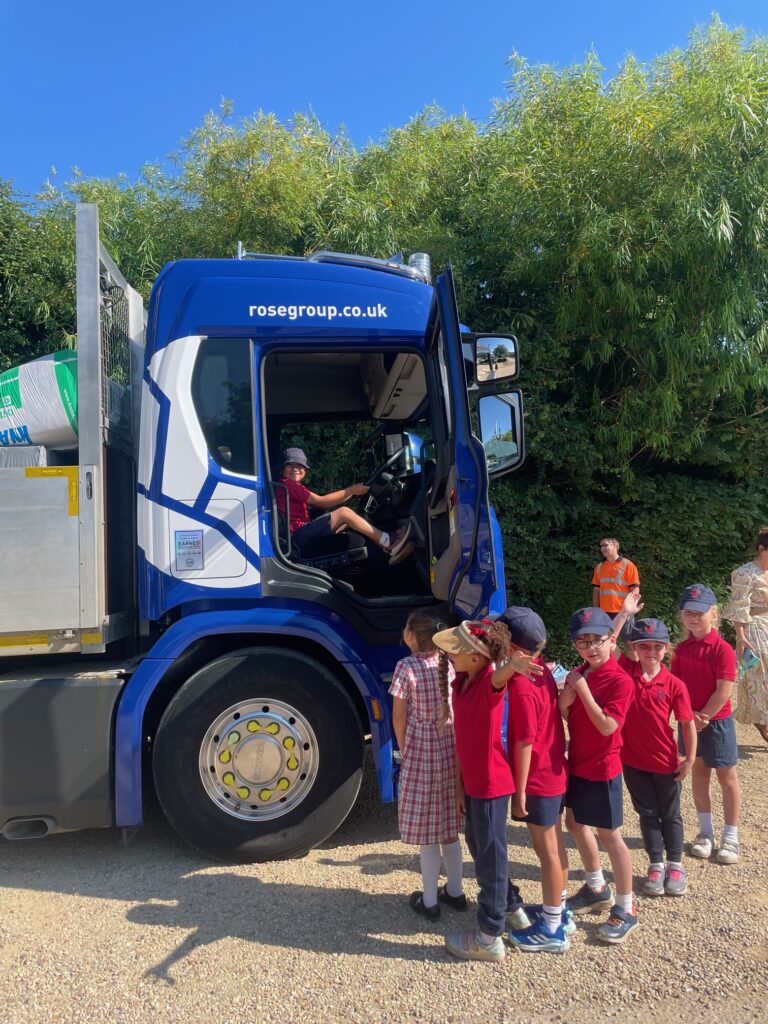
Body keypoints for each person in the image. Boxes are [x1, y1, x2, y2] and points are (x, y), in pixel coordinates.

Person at [432, 619, 534, 962]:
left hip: (492, 785)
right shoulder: (461, 682)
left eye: (456, 650)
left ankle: (489, 935)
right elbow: (463, 740)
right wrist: (460, 787)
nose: (449, 654)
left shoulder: (488, 682)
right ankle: (513, 909)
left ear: (476, 658)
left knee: (491, 857)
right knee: (479, 845)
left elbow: (498, 677)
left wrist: (513, 666)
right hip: (474, 784)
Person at [493, 607, 571, 954]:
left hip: (538, 778)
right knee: (555, 848)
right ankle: (561, 909)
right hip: (554, 771)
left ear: (512, 648)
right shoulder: (542, 673)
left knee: (547, 853)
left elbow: (523, 741)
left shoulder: (522, 684)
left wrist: (519, 791)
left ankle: (552, 927)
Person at [559, 607, 638, 944]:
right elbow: (563, 709)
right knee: (574, 825)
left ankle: (627, 906)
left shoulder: (621, 680)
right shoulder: (580, 672)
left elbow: (608, 726)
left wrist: (582, 689)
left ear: (611, 639)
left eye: (597, 640)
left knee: (610, 836)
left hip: (604, 767)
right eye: (582, 642)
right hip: (577, 762)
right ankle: (596, 886)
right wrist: (569, 691)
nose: (591, 648)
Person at [612, 612, 697, 897]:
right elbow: (609, 641)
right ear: (633, 648)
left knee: (671, 814)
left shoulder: (675, 684)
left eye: (656, 646)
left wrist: (690, 759)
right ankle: (656, 863)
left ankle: (675, 864)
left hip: (666, 762)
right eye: (644, 646)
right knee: (647, 814)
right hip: (633, 762)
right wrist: (624, 613)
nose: (650, 652)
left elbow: (687, 724)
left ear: (667, 648)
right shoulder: (626, 672)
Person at [388, 608, 465, 921]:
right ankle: (457, 893)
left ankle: (430, 901)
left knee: (428, 832)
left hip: (422, 750)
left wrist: (405, 748)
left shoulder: (405, 667)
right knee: (449, 828)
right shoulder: (448, 665)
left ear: (410, 636)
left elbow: (398, 716)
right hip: (450, 745)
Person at [671, 584, 741, 864]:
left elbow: (724, 689)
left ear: (714, 615)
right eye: (689, 612)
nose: (694, 617)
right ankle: (705, 833)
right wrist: (688, 717)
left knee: (727, 778)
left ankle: (731, 836)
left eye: (700, 612)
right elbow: (676, 686)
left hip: (718, 722)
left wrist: (704, 717)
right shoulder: (681, 649)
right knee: (698, 773)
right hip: (690, 722)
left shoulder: (723, 649)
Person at [275, 447, 415, 566]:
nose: (295, 469)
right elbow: (322, 501)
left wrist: (351, 492)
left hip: (300, 533)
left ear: (305, 470)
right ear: (282, 469)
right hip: (299, 537)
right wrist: (351, 490)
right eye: (290, 465)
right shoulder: (289, 485)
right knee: (344, 513)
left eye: (299, 465)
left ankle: (384, 546)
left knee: (349, 522)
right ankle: (387, 541)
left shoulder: (290, 486)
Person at [723, 526, 768, 744]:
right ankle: (763, 722)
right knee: (759, 677)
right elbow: (739, 606)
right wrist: (740, 636)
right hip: (755, 628)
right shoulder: (745, 573)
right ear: (761, 549)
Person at [592, 538, 640, 638]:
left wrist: (629, 610)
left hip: (623, 612)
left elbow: (635, 589)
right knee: (606, 643)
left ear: (615, 546)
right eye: (601, 546)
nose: (602, 548)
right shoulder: (599, 567)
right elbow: (596, 591)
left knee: (630, 644)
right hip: (604, 614)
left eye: (605, 545)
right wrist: (596, 610)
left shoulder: (628, 565)